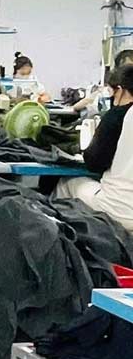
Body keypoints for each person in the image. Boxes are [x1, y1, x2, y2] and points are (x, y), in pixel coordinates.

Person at [55, 64, 133, 233]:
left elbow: (95, 163)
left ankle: (65, 240)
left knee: (66, 183)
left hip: (119, 208)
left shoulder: (119, 115)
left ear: (120, 91)